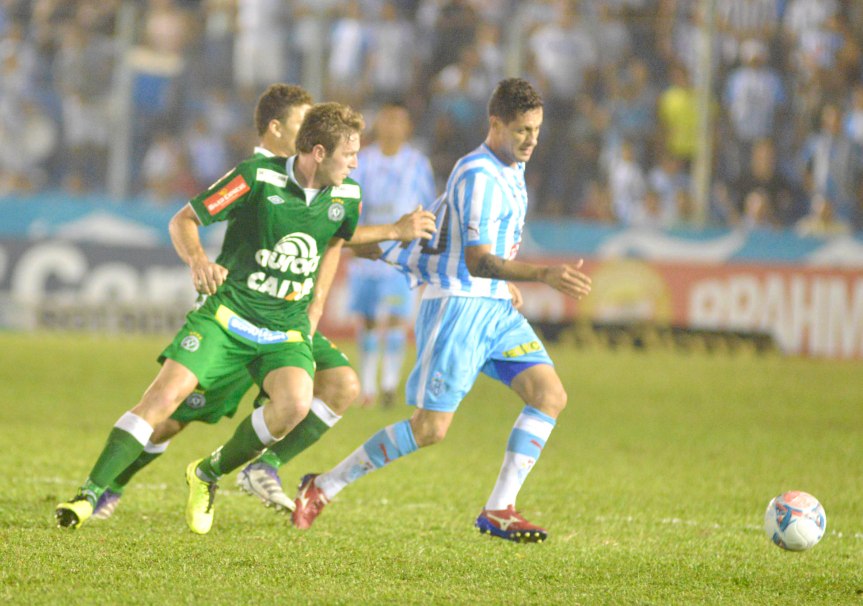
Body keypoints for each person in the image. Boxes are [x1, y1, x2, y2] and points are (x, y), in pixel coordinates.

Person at [54, 98, 428, 536]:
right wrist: (197, 260)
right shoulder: (256, 177)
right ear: (320, 151)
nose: (357, 163)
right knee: (166, 406)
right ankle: (92, 492)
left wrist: (375, 252)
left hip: (284, 324)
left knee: (305, 399)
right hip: (229, 315)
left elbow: (337, 238)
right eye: (350, 154)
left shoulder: (347, 195)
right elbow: (184, 220)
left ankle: (217, 472)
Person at [290, 78, 592, 543]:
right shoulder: (477, 173)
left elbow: (481, 245)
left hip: (492, 306)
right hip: (458, 306)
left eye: (536, 129)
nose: (531, 140)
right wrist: (541, 275)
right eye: (522, 130)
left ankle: (499, 508)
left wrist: (504, 287)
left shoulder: (512, 169)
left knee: (550, 396)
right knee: (430, 428)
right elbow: (475, 260)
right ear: (495, 124)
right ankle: (323, 486)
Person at [348, 101, 436, 408]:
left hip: (402, 255)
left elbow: (428, 205)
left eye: (399, 121)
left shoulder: (418, 164)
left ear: (408, 127)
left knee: (398, 319)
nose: (392, 126)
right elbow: (350, 203)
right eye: (387, 120)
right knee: (369, 319)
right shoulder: (363, 161)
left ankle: (388, 385)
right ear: (378, 124)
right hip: (367, 251)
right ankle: (368, 388)